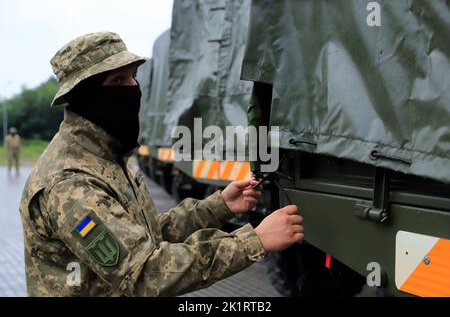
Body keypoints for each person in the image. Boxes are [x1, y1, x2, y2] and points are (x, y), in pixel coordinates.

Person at [19, 31, 304, 296]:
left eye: (133, 76)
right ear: (85, 95)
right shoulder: (72, 181)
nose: (133, 88)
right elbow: (144, 273)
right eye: (118, 81)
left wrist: (219, 207)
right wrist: (255, 241)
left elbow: (146, 236)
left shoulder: (104, 158)